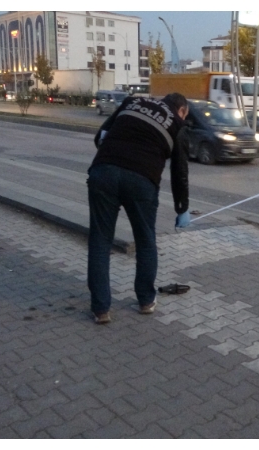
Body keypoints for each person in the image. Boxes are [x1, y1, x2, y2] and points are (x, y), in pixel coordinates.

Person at [87, 93, 190, 324]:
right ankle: (145, 301)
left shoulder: (132, 101)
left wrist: (113, 158)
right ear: (182, 110)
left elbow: (100, 136)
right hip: (142, 181)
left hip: (103, 172)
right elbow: (179, 171)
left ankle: (101, 309)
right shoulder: (178, 123)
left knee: (100, 241)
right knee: (145, 242)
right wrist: (181, 208)